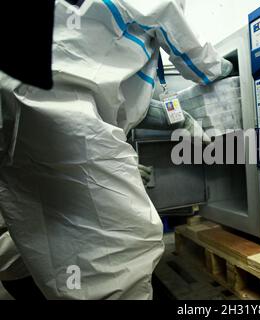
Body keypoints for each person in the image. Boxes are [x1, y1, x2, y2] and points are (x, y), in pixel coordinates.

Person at [0, 0, 232, 300]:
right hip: (58, 108)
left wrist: (178, 119)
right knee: (124, 245)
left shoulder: (99, 30)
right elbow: (177, 29)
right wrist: (222, 66)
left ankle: (31, 280)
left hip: (21, 102)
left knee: (42, 214)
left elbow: (108, 90)